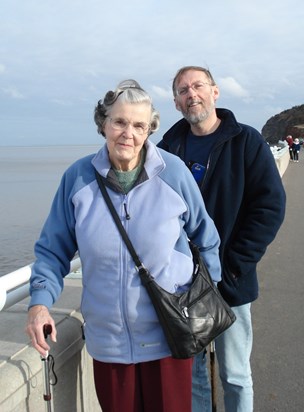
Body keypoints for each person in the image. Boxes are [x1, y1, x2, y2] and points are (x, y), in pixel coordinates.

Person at [25, 79, 222, 412]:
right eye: (119, 122)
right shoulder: (78, 178)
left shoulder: (172, 173)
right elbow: (52, 250)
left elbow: (206, 237)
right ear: (103, 124)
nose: (128, 133)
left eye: (138, 125)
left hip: (170, 338)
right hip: (110, 344)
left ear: (149, 131)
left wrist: (205, 305)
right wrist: (40, 302)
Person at [157, 66, 286, 412]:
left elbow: (269, 207)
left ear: (215, 92)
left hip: (231, 281)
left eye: (198, 86)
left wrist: (233, 267)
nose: (191, 94)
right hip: (181, 286)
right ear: (175, 102)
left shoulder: (245, 141)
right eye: (183, 90)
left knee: (235, 374)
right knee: (193, 376)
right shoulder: (165, 150)